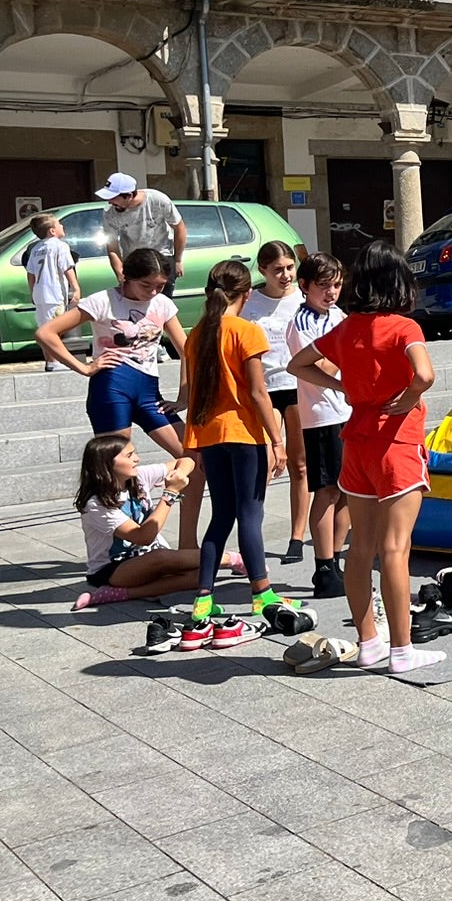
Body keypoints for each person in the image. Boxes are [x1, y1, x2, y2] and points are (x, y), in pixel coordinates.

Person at [285, 240, 441, 675]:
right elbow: (426, 374)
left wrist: (342, 388)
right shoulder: (403, 327)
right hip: (397, 443)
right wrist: (409, 395)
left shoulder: (346, 328)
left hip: (356, 441)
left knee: (359, 549)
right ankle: (403, 650)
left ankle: (368, 641)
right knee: (396, 549)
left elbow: (298, 364)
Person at [35, 247, 202, 547]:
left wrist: (185, 394)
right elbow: (47, 333)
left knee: (194, 455)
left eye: (159, 286)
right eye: (145, 285)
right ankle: (123, 538)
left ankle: (184, 540)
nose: (152, 292)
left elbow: (188, 348)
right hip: (112, 387)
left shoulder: (162, 304)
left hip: (148, 390)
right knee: (117, 468)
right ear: (126, 276)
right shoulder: (103, 300)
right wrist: (85, 368)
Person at [176, 259, 298, 649]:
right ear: (246, 294)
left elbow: (193, 389)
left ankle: (203, 599)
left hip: (210, 434)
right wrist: (277, 440)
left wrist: (190, 442)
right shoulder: (247, 331)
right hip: (244, 433)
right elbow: (260, 393)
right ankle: (262, 593)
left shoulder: (197, 334)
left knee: (221, 516)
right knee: (250, 513)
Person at [69, 434, 203, 612]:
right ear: (107, 463)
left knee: (200, 577)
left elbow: (186, 461)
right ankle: (235, 560)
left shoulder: (139, 477)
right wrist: (170, 493)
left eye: (135, 453)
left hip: (148, 560)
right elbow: (144, 537)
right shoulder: (95, 504)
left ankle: (118, 594)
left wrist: (178, 474)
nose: (137, 459)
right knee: (161, 556)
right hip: (113, 569)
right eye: (129, 455)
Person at [286, 253, 351, 600]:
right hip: (322, 414)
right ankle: (323, 565)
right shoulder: (303, 322)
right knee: (326, 490)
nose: (331, 293)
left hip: (348, 412)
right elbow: (323, 362)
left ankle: (337, 558)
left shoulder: (338, 315)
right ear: (305, 287)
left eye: (337, 285)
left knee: (348, 491)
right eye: (324, 286)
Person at [242, 241, 308, 564]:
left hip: (297, 386)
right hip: (262, 389)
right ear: (263, 271)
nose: (285, 275)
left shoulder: (303, 300)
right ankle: (253, 533)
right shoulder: (249, 301)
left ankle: (297, 537)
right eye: (278, 270)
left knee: (299, 464)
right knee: (264, 465)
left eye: (289, 268)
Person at [97, 173, 186, 290]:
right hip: (134, 260)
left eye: (113, 198)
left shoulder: (157, 200)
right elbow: (112, 246)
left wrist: (178, 260)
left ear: (128, 196)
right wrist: (120, 273)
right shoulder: (110, 213)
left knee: (161, 302)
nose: (109, 202)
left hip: (161, 256)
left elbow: (179, 228)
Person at [25, 214, 81, 370]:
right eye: (59, 225)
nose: (62, 227)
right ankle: (56, 361)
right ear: (52, 231)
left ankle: (49, 361)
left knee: (44, 328)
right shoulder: (60, 246)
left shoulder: (35, 249)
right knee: (55, 329)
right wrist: (75, 288)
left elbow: (30, 274)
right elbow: (67, 268)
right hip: (55, 293)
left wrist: (32, 292)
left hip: (40, 294)